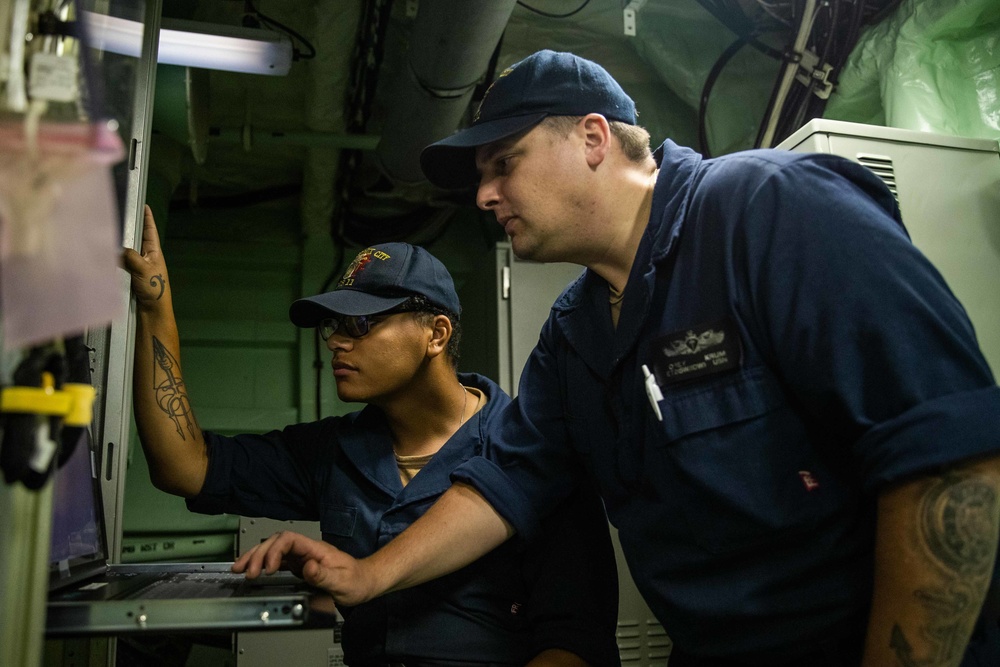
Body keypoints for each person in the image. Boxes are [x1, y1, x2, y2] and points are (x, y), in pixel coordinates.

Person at [233, 50, 1000, 666]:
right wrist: (369, 574)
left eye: (504, 162)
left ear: (594, 138)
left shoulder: (766, 208)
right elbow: (506, 484)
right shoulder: (574, 334)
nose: (484, 195)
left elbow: (950, 463)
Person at [122, 205, 622, 667]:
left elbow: (575, 644)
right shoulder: (335, 451)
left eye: (361, 323)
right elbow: (185, 468)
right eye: (335, 325)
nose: (338, 341)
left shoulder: (533, 451)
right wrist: (155, 307)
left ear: (437, 334)